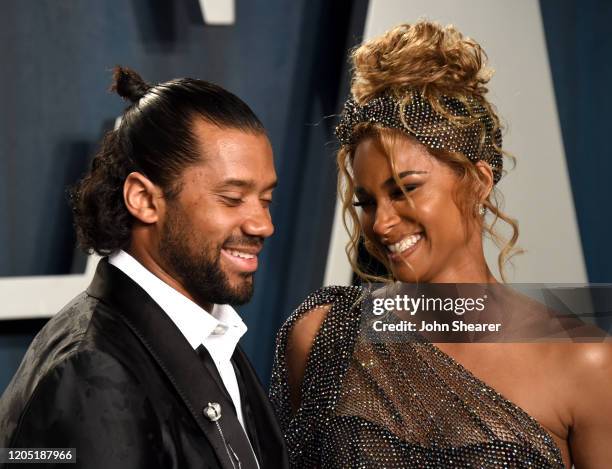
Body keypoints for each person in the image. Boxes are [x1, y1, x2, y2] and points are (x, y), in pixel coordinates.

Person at [269, 21, 612, 468]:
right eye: (366, 201)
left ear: (478, 182)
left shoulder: (585, 363)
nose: (383, 223)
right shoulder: (323, 336)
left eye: (404, 190)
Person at [0, 67, 288, 469]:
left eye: (266, 200)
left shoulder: (209, 338)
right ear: (144, 199)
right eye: (232, 198)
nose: (263, 225)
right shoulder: (90, 369)